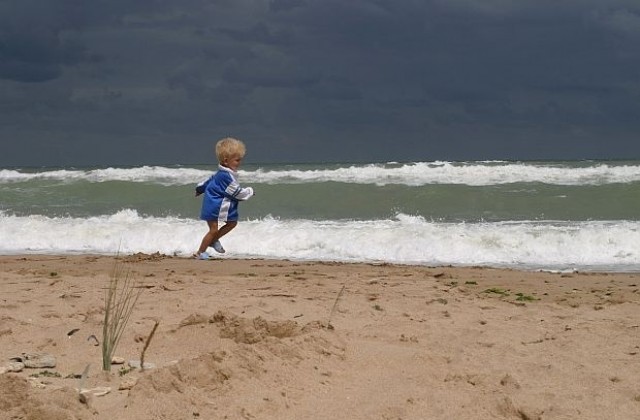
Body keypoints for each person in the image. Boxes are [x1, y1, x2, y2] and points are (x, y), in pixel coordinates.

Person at [194, 137, 254, 260]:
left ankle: (213, 241)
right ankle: (200, 252)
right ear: (226, 161)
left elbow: (208, 182)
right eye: (237, 160)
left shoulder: (221, 173)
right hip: (215, 206)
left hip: (211, 204)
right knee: (215, 229)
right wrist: (250, 191)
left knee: (228, 224)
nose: (239, 163)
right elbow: (236, 193)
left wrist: (199, 189)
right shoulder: (226, 177)